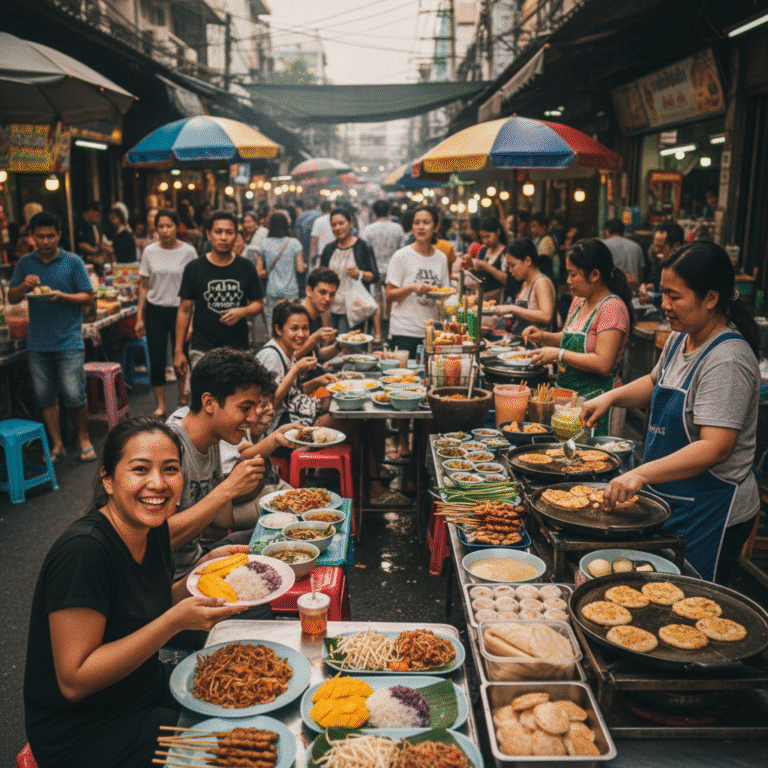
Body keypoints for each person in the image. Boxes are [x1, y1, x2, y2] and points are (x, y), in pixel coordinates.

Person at [23, 417, 248, 768]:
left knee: (244, 708)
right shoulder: (83, 553)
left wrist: (199, 579)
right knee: (233, 755)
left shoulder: (151, 529)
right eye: (140, 469)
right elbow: (74, 680)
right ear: (108, 480)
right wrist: (174, 621)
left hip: (139, 688)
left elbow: (141, 607)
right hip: (85, 730)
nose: (157, 484)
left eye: (170, 469)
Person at [582, 242, 761, 583]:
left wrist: (642, 474)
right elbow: (654, 382)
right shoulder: (682, 338)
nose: (663, 304)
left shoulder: (728, 359)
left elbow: (716, 446)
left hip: (710, 508)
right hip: (671, 497)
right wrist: (609, 398)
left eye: (674, 296)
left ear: (710, 298)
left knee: (696, 604)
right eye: (663, 293)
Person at [165, 347, 275, 578]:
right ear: (209, 402)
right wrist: (228, 488)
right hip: (170, 578)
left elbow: (221, 521)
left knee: (281, 539)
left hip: (196, 557)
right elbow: (160, 541)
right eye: (245, 408)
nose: (253, 417)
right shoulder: (169, 447)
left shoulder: (213, 439)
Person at [8, 211, 96, 462]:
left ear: (59, 235)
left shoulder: (73, 262)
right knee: (45, 395)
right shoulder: (25, 263)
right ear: (32, 238)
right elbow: (12, 297)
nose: (45, 241)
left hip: (68, 340)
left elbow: (88, 296)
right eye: (40, 236)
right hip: (38, 342)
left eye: (50, 236)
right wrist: (24, 286)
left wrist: (62, 297)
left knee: (74, 393)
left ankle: (83, 438)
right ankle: (57, 444)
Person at [525, 238, 633, 435]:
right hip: (568, 400)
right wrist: (542, 336)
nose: (568, 281)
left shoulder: (612, 308)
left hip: (597, 404)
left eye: (573, 274)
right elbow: (570, 339)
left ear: (594, 275)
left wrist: (559, 355)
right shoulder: (579, 301)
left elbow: (604, 363)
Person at [174, 210, 264, 378]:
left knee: (234, 400)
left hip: (237, 349)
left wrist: (242, 311)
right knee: (204, 399)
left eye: (229, 232)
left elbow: (258, 303)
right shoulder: (194, 268)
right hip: (202, 348)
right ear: (209, 235)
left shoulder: (246, 267)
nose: (223, 237)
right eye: (218, 232)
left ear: (236, 236)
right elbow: (184, 310)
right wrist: (178, 351)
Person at [135, 209, 197, 418]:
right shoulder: (150, 251)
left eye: (168, 226)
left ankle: (182, 399)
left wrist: (191, 322)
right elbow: (144, 284)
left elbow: (195, 288)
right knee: (157, 358)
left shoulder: (188, 252)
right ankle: (161, 405)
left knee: (181, 356)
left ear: (177, 227)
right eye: (160, 226)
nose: (164, 230)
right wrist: (139, 317)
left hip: (182, 310)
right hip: (155, 311)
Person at [255, 300, 338, 430]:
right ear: (278, 329)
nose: (301, 334)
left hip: (295, 411)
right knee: (346, 421)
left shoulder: (288, 352)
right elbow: (271, 403)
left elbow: (292, 392)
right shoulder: (271, 356)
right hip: (277, 426)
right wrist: (296, 369)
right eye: (294, 328)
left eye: (305, 328)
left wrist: (318, 381)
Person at [386, 204, 450, 358]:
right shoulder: (400, 256)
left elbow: (445, 293)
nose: (421, 227)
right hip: (404, 331)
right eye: (417, 223)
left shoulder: (441, 258)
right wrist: (412, 287)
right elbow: (389, 294)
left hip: (432, 332)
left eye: (426, 223)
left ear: (436, 227)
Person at [319, 207, 379, 336]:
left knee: (353, 348)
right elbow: (320, 278)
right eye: (334, 225)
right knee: (334, 347)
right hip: (332, 308)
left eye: (341, 223)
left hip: (355, 309)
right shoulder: (328, 249)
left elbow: (375, 276)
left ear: (350, 223)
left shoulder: (362, 246)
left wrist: (360, 273)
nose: (338, 228)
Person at [492, 238, 556, 334]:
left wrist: (513, 308)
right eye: (508, 266)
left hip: (535, 345)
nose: (510, 270)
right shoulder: (525, 283)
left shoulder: (541, 282)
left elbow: (546, 316)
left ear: (527, 261)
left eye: (512, 265)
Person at [255, 210, 305, 330]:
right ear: (286, 225)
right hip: (291, 291)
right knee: (292, 324)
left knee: (274, 324)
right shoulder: (294, 243)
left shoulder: (264, 243)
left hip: (272, 291)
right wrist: (304, 265)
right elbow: (300, 269)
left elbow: (258, 271)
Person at [361, 200, 404, 326]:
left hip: (374, 271)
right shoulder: (398, 229)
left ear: (374, 213)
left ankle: (378, 333)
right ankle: (391, 326)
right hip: (393, 269)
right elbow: (402, 249)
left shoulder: (368, 230)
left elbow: (364, 251)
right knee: (392, 298)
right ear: (389, 212)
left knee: (377, 300)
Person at [295, 266, 343, 363]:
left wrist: (339, 346)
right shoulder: (295, 315)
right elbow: (289, 358)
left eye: (332, 294)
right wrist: (315, 339)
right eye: (322, 292)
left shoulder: (317, 314)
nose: (327, 299)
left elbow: (316, 356)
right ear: (309, 291)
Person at [640, 222, 684, 303]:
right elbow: (657, 284)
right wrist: (650, 287)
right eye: (654, 246)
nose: (656, 250)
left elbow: (679, 296)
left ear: (675, 245)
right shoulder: (658, 261)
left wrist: (654, 299)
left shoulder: (683, 267)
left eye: (660, 246)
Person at [468, 216, 508, 302]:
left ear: (498, 232)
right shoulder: (483, 250)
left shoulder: (506, 252)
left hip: (498, 300)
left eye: (488, 236)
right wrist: (471, 264)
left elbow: (507, 280)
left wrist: (486, 266)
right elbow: (478, 273)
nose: (485, 241)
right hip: (482, 298)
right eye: (482, 237)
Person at [603, 218, 644, 282]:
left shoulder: (602, 245)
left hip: (610, 288)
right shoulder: (636, 247)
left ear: (606, 231)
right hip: (632, 288)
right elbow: (640, 275)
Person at [75, 202, 106, 270]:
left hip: (93, 261)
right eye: (96, 216)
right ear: (90, 211)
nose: (98, 218)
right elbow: (81, 244)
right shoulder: (79, 224)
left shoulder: (93, 226)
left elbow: (97, 242)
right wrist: (95, 251)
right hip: (82, 261)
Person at [308, 199, 334, 270]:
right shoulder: (335, 220)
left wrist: (310, 262)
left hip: (321, 256)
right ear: (331, 208)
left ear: (321, 209)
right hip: (336, 256)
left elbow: (314, 243)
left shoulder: (318, 221)